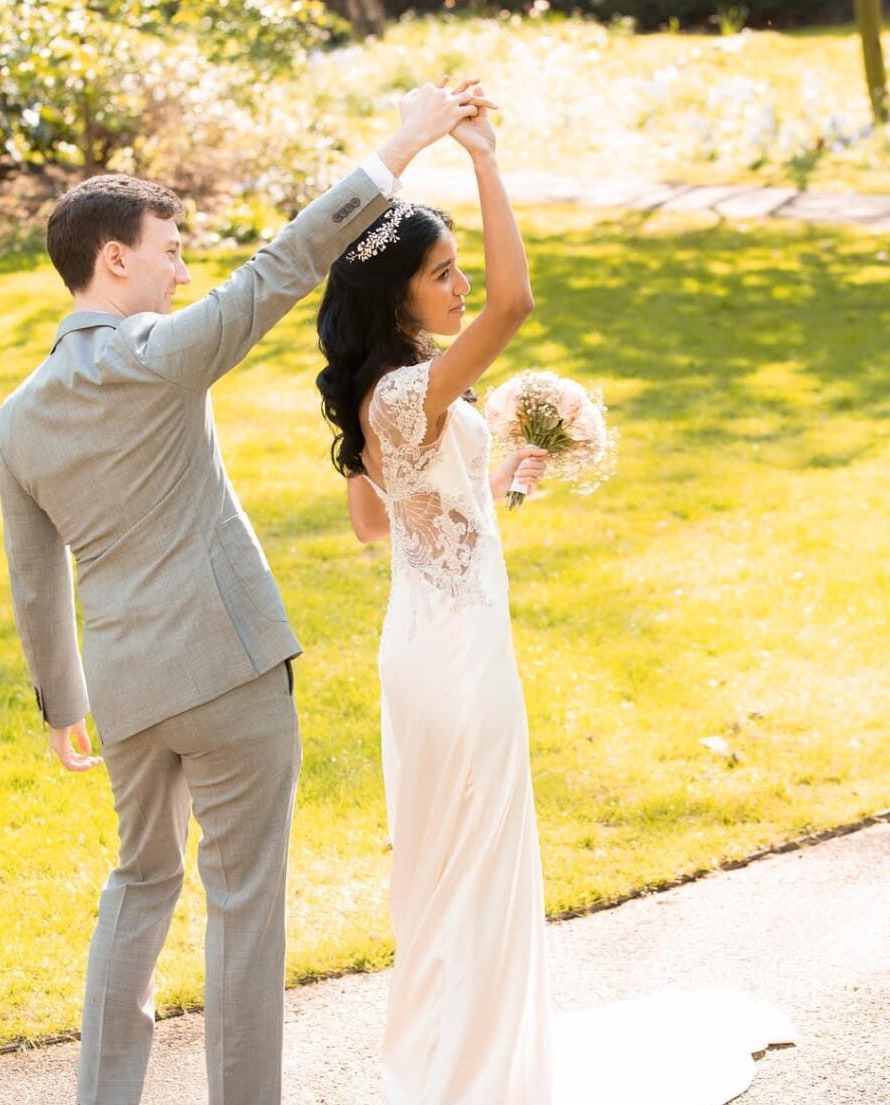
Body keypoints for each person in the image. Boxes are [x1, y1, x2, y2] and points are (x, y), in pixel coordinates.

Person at [0, 80, 493, 1105]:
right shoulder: (158, 357)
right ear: (114, 258)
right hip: (229, 668)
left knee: (137, 887)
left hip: (126, 692)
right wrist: (403, 142)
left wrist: (62, 702)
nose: (183, 270)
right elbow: (285, 265)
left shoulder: (18, 416)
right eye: (169, 251)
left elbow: (33, 577)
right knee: (243, 907)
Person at [316, 84, 795, 1104]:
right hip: (459, 660)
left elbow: (380, 523)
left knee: (447, 863)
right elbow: (516, 305)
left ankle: (457, 1059)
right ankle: (486, 1076)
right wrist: (485, 159)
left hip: (425, 649)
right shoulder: (410, 390)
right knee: (480, 859)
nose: (461, 287)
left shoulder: (384, 393)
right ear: (397, 296)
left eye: (458, 269)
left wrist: (496, 481)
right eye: (442, 274)